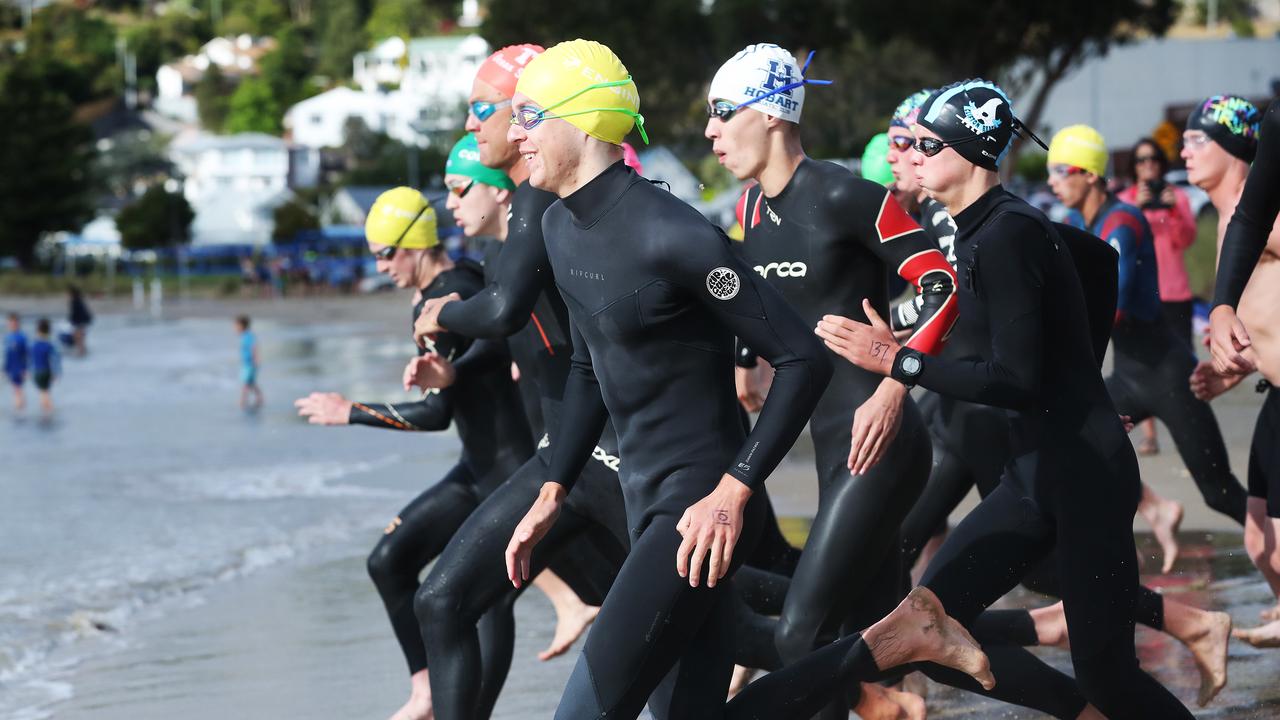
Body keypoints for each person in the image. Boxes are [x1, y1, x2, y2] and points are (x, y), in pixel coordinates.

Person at [499, 39, 1000, 720]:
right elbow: (592, 363)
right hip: (663, 484)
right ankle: (899, 646)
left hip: (716, 494)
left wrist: (738, 486)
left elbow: (808, 352)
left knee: (595, 708)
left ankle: (887, 648)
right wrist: (553, 486)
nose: (514, 131)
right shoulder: (566, 226)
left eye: (528, 114)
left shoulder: (680, 231)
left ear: (583, 119)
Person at [816, 79, 1194, 719]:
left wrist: (897, 361)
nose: (914, 155)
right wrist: (1082, 381)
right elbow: (1094, 260)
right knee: (927, 627)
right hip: (1034, 473)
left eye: (928, 145)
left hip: (1083, 479)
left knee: (1109, 676)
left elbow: (1013, 379)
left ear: (969, 153)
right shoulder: (988, 228)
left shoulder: (1005, 234)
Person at [705, 44, 957, 720]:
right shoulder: (752, 212)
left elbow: (943, 281)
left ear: (772, 116)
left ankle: (892, 694)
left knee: (800, 634)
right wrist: (740, 364)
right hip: (829, 446)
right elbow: (746, 297)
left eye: (723, 113)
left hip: (881, 438)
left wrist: (896, 376)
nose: (710, 132)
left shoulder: (847, 195)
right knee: (858, 633)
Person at [1046, 124, 1247, 558]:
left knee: (1219, 492)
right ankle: (1149, 513)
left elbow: (1113, 299)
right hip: (1128, 376)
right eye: (1050, 171)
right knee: (1074, 444)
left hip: (1170, 375)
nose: (1051, 181)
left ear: (1092, 174)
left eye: (1062, 170)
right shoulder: (1079, 221)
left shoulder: (1124, 219)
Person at [1190, 96, 1280, 648]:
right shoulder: (1236, 218)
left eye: (1199, 140)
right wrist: (1239, 365)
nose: (1185, 152)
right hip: (1271, 385)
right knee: (1255, 536)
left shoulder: (1256, 210)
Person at [1118, 137, 1199, 455]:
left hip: (1175, 290)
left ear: (1162, 163)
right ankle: (1150, 433)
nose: (1147, 164)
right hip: (1142, 295)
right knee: (1142, 364)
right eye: (1140, 160)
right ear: (1133, 166)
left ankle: (1187, 427)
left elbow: (1187, 239)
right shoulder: (1125, 200)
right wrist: (1136, 208)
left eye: (1152, 158)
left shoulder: (1177, 196)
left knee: (1182, 362)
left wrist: (1174, 210)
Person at [30, 318, 59, 416]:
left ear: (37, 331)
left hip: (37, 372)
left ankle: (47, 411)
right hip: (47, 371)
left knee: (42, 392)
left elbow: (30, 360)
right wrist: (56, 373)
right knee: (46, 391)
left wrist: (29, 371)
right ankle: (49, 411)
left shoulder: (34, 344)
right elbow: (55, 360)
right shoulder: (49, 345)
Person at [236, 315, 262, 410]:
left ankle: (242, 401)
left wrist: (256, 359)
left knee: (245, 383)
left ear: (242, 326)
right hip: (246, 363)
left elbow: (254, 347)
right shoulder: (244, 336)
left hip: (250, 363)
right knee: (251, 383)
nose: (235, 329)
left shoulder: (248, 336)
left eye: (237, 326)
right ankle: (260, 398)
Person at [4, 312, 28, 412]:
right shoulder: (8, 337)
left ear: (18, 324)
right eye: (10, 323)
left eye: (14, 323)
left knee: (18, 389)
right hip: (11, 367)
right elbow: (7, 355)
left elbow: (26, 354)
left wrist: (25, 369)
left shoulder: (22, 337)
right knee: (16, 390)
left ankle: (19, 411)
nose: (12, 325)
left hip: (19, 368)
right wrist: (4, 369)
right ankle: (19, 410)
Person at [67, 285, 91, 357]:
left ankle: (81, 352)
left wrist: (71, 320)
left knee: (77, 337)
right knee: (80, 337)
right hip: (83, 320)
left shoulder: (74, 301)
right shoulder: (79, 300)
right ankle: (82, 351)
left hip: (79, 321)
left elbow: (74, 313)